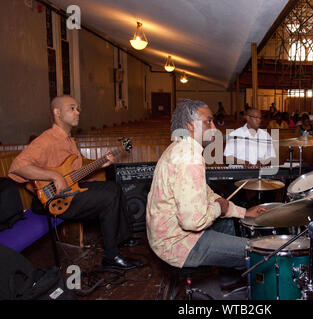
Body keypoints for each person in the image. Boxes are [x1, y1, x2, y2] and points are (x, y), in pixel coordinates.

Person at [8, 95, 142, 271]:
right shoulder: (46, 140)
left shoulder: (70, 140)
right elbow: (16, 167)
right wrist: (54, 176)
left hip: (68, 192)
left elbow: (75, 172)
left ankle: (121, 237)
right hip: (50, 200)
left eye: (78, 108)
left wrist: (102, 162)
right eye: (72, 108)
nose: (77, 112)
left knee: (114, 187)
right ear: (57, 113)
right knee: (109, 195)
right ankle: (112, 256)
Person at [146, 99, 266, 269]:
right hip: (176, 244)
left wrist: (244, 212)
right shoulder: (189, 158)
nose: (215, 129)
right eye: (208, 122)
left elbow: (205, 193)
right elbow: (193, 222)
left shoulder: (180, 147)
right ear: (190, 126)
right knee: (258, 251)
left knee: (228, 223)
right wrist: (220, 208)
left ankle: (226, 282)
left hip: (164, 235)